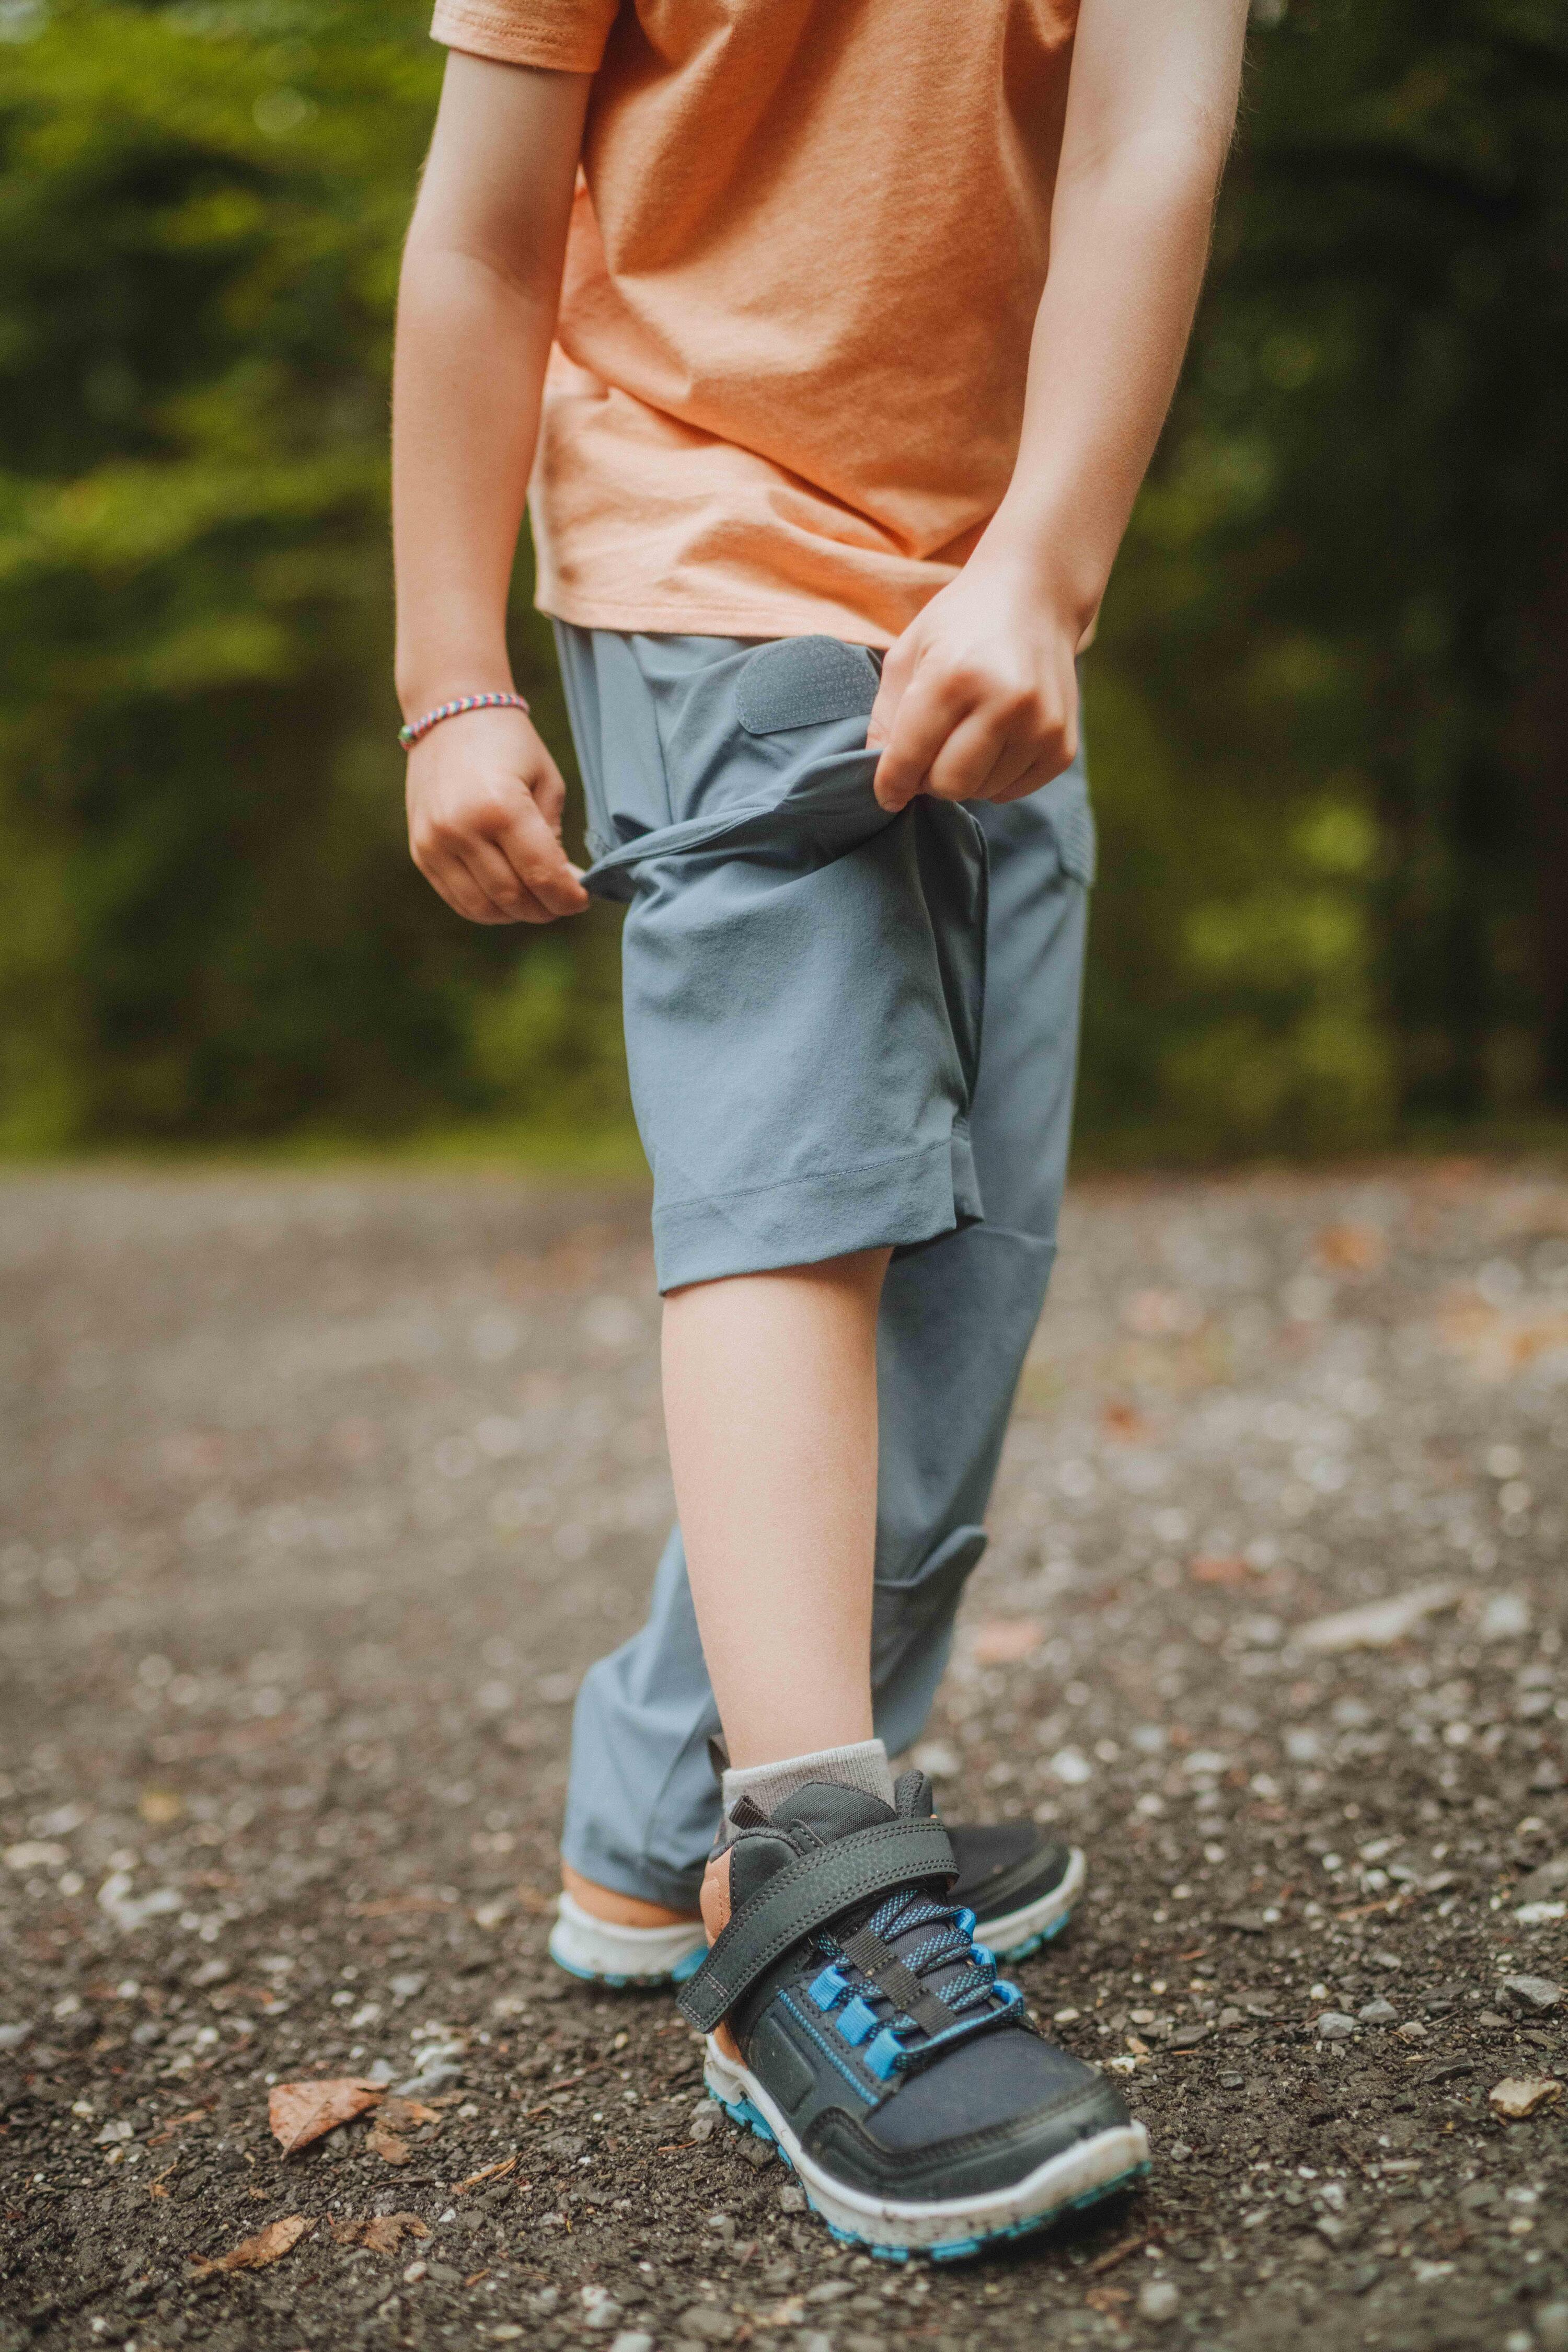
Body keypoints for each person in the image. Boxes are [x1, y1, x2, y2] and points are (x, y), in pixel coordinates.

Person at [393, 0, 1248, 2258]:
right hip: (705, 546)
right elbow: (486, 241)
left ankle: (657, 1813)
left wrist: (1044, 567)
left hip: (988, 590)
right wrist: (447, 678)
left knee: (975, 1245)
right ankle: (805, 1860)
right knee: (801, 1185)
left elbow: (1157, 142)